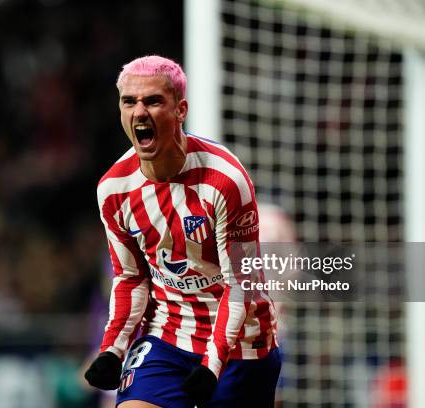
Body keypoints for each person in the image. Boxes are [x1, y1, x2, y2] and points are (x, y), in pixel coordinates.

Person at [84, 55, 281, 408]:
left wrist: (212, 364)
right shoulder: (113, 189)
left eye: (153, 101)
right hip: (168, 336)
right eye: (129, 101)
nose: (139, 112)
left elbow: (241, 285)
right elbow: (130, 276)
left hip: (241, 345)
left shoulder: (225, 180)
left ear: (180, 110)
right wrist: (112, 348)